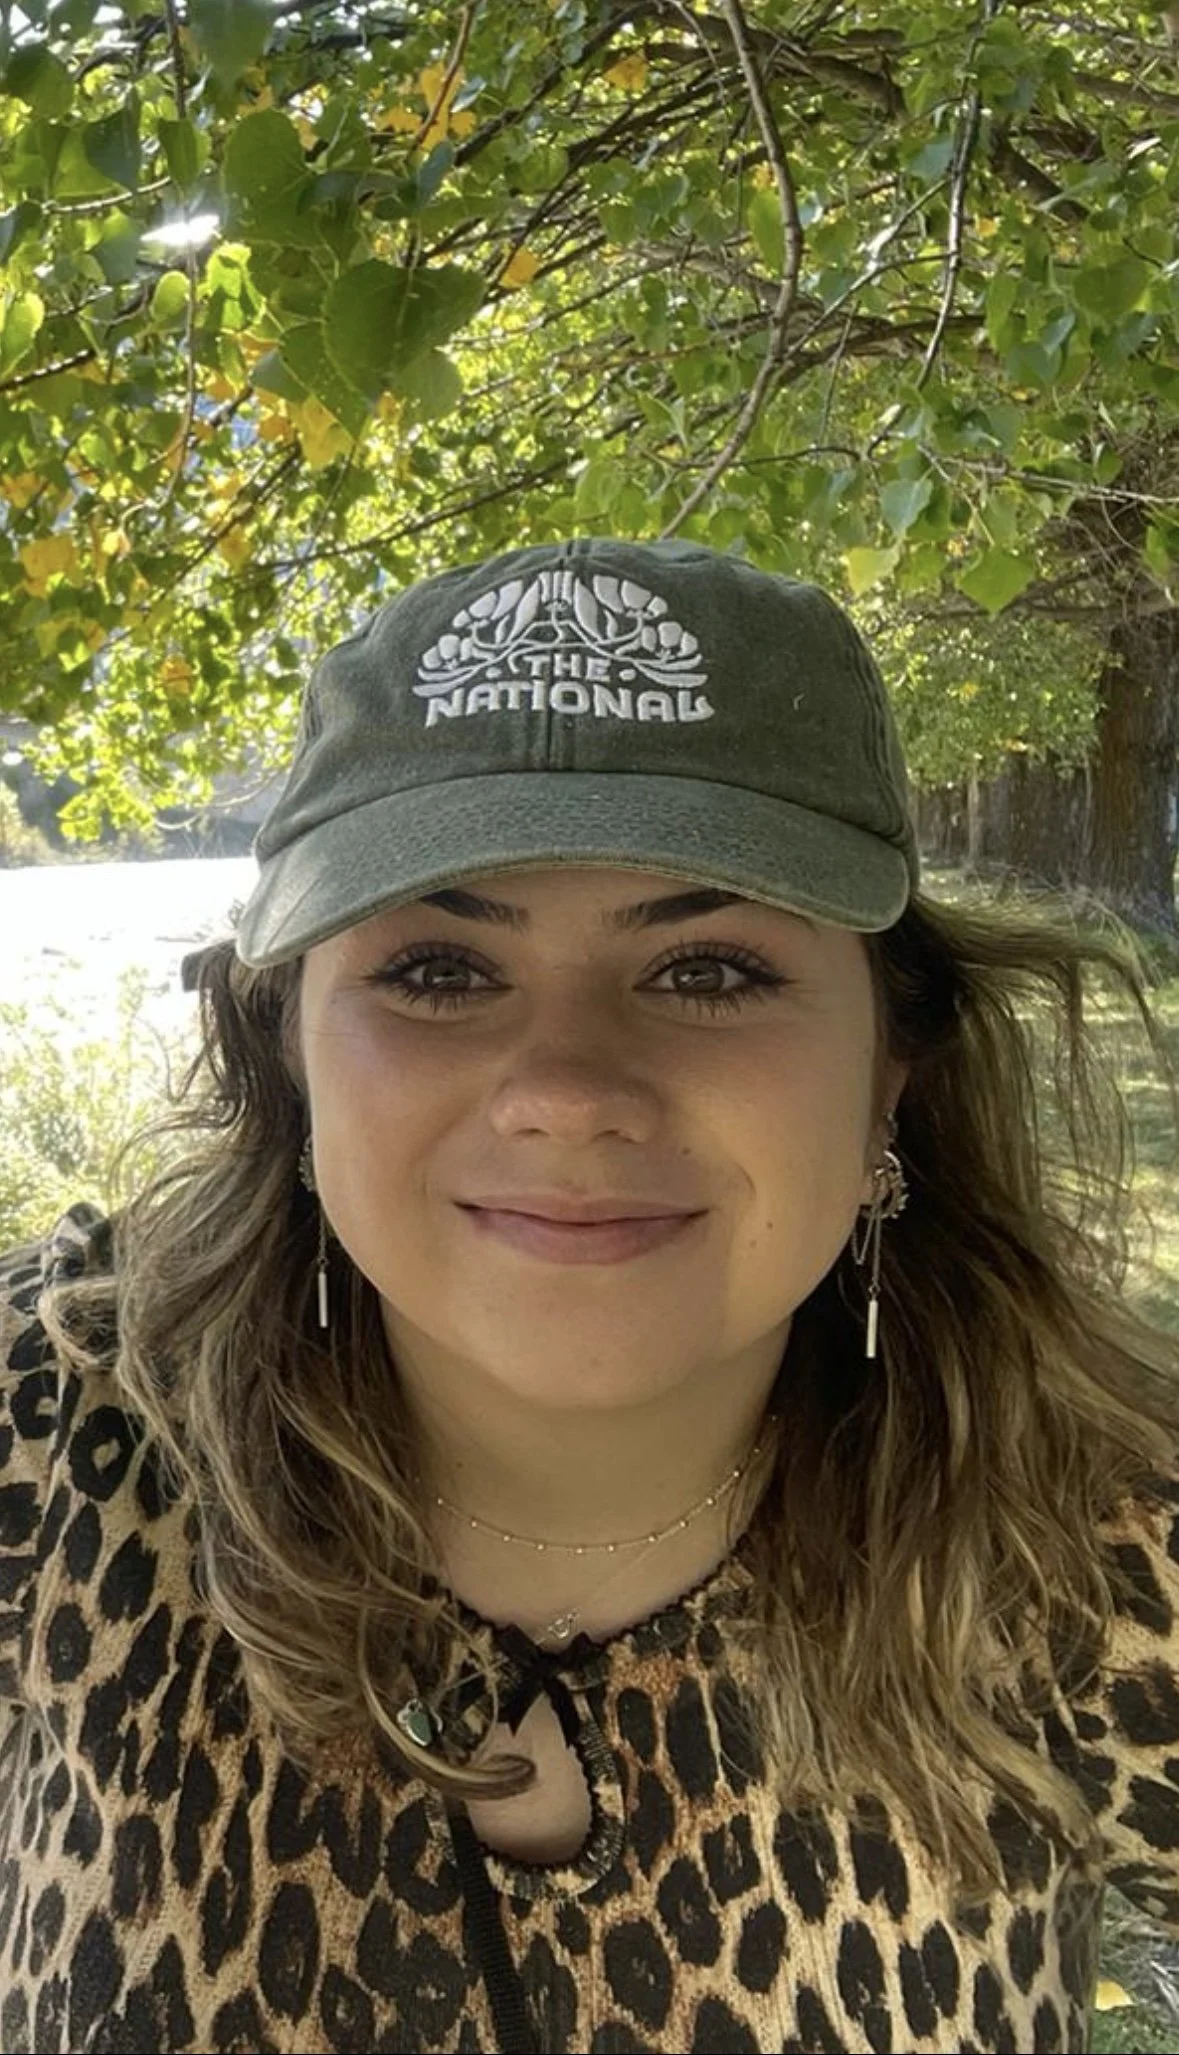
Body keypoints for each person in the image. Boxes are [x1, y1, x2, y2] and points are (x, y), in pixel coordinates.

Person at [2, 538, 1179, 2055]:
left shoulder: (1100, 1545)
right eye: (436, 966)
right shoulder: (51, 1428)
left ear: (890, 1067)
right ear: (286, 1048)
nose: (565, 1090)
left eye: (704, 970)